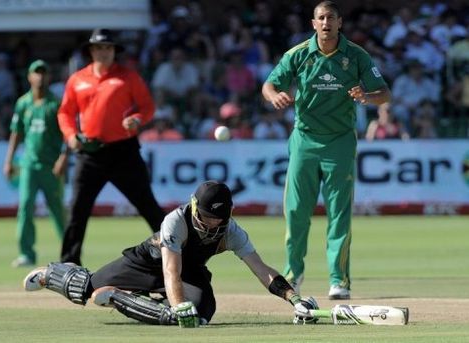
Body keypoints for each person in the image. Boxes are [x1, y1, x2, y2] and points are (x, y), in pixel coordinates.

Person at [22, 181, 319, 327]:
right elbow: (169, 272)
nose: (212, 224)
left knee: (198, 318)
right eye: (207, 217)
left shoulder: (233, 232)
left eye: (219, 219)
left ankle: (117, 298)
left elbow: (260, 268)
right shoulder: (176, 221)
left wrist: (293, 298)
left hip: (191, 270)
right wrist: (178, 305)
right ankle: (53, 275)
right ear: (194, 208)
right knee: (85, 288)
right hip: (150, 260)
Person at [261, 1, 391, 300]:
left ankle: (339, 280)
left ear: (340, 22)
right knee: (295, 212)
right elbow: (269, 84)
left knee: (339, 213)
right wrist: (275, 96)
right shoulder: (298, 54)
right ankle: (293, 273)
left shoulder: (357, 55)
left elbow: (384, 94)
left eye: (331, 17)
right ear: (313, 23)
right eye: (321, 18)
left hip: (340, 142)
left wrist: (366, 97)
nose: (326, 22)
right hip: (304, 140)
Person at [58, 28, 165, 265]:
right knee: (77, 211)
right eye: (99, 48)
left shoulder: (128, 77)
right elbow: (65, 113)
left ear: (114, 51)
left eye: (108, 48)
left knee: (148, 206)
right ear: (91, 51)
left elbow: (147, 107)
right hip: (90, 153)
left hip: (123, 151)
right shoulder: (77, 79)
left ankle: (178, 254)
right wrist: (70, 135)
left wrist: (137, 119)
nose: (104, 52)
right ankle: (68, 265)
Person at [3, 60, 67, 267]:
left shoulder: (55, 104)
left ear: (48, 77)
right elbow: (16, 132)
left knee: (57, 209)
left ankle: (69, 252)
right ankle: (26, 254)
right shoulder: (23, 103)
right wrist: (9, 160)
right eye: (36, 73)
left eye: (43, 73)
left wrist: (63, 158)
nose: (40, 77)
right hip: (29, 165)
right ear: (30, 77)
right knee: (25, 206)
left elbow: (67, 134)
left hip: (51, 166)